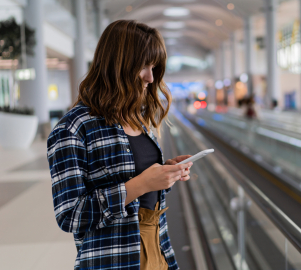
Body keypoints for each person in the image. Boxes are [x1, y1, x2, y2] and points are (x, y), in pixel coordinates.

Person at [47, 20, 193, 270]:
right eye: (143, 66)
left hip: (158, 252)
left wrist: (165, 174)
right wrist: (142, 183)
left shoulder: (138, 119)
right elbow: (70, 215)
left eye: (153, 67)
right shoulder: (73, 128)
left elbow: (138, 189)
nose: (150, 77)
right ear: (118, 65)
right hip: (114, 261)